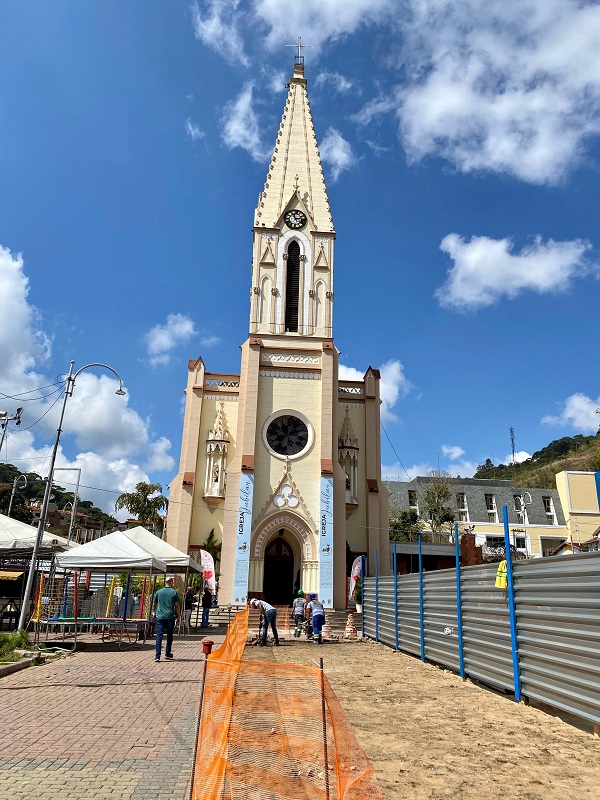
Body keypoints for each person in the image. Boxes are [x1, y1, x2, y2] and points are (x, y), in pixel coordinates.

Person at [153, 577, 181, 663]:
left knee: (159, 636)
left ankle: (157, 656)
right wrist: (179, 616)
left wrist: (154, 612)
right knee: (169, 635)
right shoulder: (174, 592)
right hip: (170, 616)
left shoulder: (158, 592)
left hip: (160, 616)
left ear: (165, 582)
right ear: (172, 582)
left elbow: (154, 604)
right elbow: (176, 606)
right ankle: (167, 653)